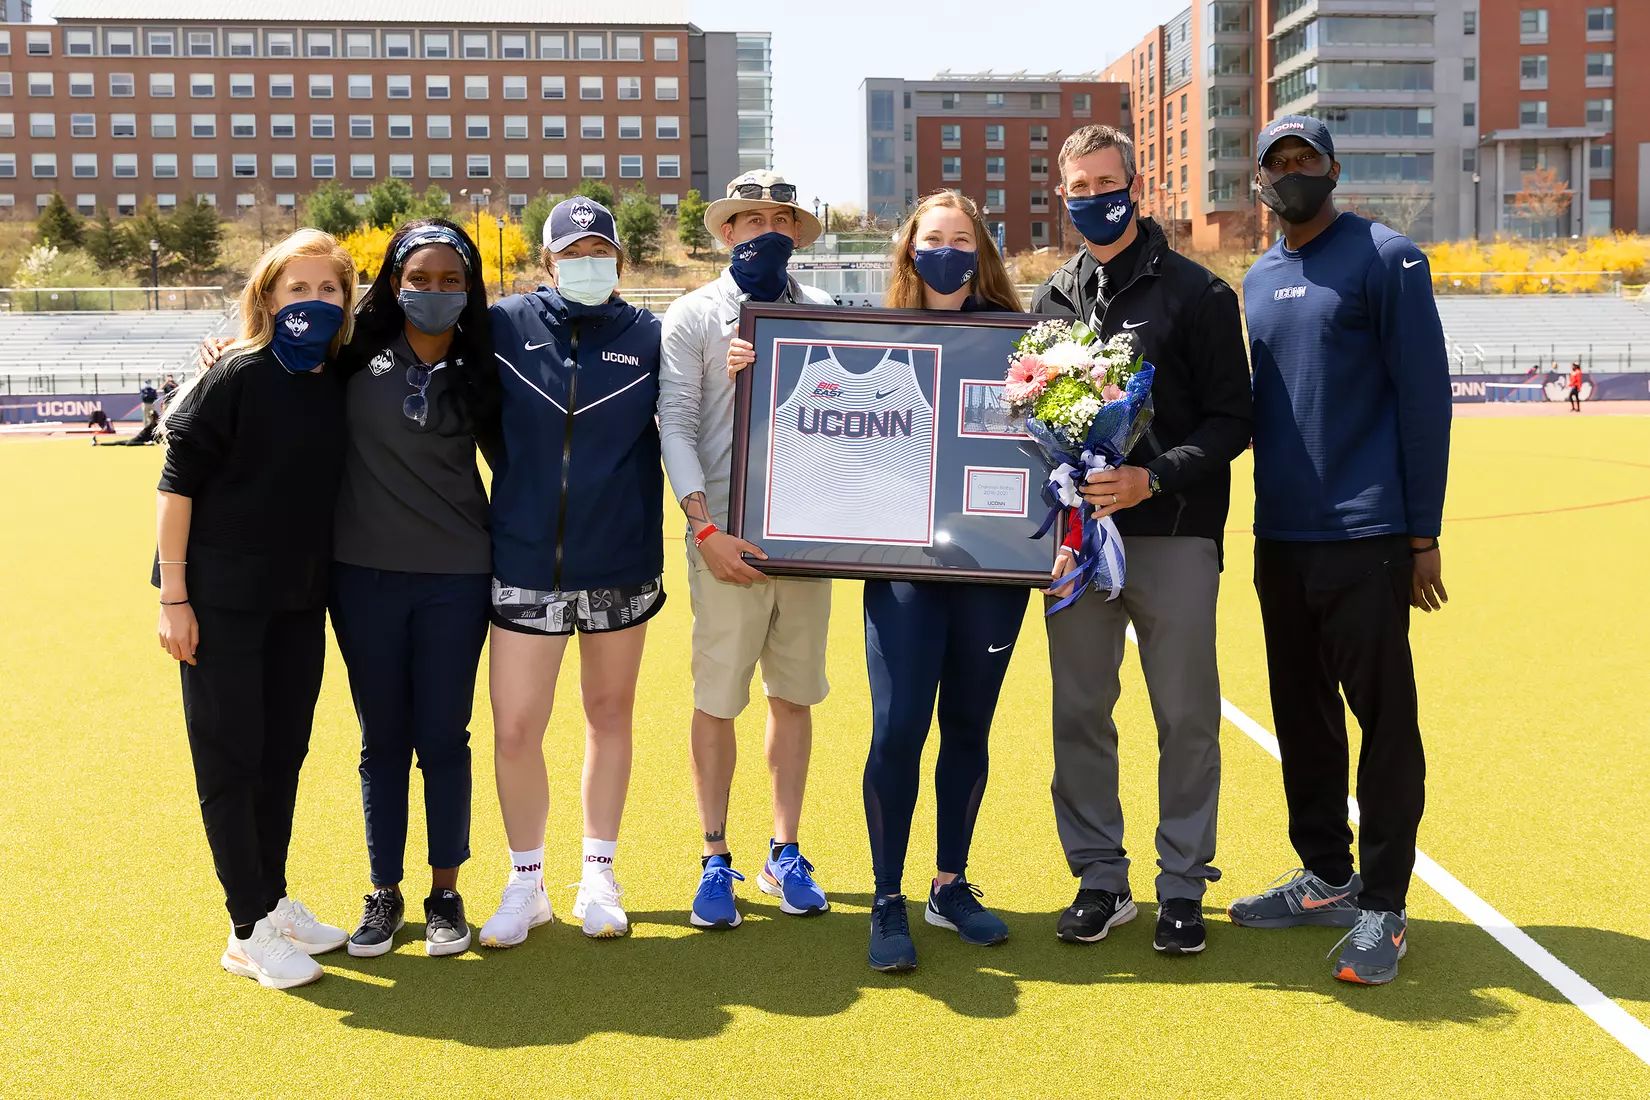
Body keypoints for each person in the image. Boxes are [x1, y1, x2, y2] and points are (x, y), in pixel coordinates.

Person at [197, 221, 502, 960]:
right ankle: (383, 893)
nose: (432, 293)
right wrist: (221, 354)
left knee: (444, 739)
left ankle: (444, 895)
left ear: (469, 288)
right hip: (357, 578)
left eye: (449, 280)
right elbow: (269, 372)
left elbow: (522, 466)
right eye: (416, 279)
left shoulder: (483, 368)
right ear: (392, 285)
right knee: (381, 742)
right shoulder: (349, 357)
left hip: (457, 578)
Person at [1233, 115, 1451, 986]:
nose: (1292, 175)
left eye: (1306, 161)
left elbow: (1425, 400)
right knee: (1302, 716)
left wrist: (1422, 532)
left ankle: (1386, 907)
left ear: (1333, 169)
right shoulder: (1254, 278)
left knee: (1383, 723)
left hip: (1366, 539)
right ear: (1260, 180)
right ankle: (1327, 874)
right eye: (1277, 164)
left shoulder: (1387, 258)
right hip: (1279, 536)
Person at [1033, 125, 1253, 956]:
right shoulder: (1054, 298)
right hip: (1078, 546)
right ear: (1065, 194)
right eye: (1078, 185)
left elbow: (1236, 420)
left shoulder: (1198, 294)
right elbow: (1036, 422)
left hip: (1175, 535)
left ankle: (1183, 886)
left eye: (1106, 181)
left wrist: (1150, 480)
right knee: (1080, 712)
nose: (1093, 196)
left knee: (1187, 715)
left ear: (1137, 183)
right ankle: (1099, 878)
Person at [154, 229, 356, 990]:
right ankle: (244, 929)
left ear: (346, 301)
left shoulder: (336, 377)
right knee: (231, 761)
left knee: (282, 757)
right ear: (268, 297)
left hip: (299, 601)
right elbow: (175, 490)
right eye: (296, 290)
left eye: (327, 291)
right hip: (218, 601)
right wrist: (175, 599)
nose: (312, 303)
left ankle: (270, 902)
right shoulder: (235, 373)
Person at [477, 197, 665, 946]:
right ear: (546, 262)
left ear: (619, 260)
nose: (588, 263)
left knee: (608, 715)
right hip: (523, 558)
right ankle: (526, 885)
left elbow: (700, 414)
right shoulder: (501, 325)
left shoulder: (651, 334)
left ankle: (599, 873)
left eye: (601, 251)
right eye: (572, 251)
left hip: (620, 559)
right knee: (517, 727)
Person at [658, 171, 835, 929]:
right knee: (717, 698)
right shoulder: (694, 314)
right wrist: (703, 530)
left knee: (792, 695)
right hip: (725, 531)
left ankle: (784, 850)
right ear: (726, 231)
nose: (766, 230)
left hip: (807, 534)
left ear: (796, 233)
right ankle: (714, 856)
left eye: (781, 219)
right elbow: (674, 422)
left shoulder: (826, 312)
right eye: (750, 218)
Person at [857, 191, 1028, 971]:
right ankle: (887, 897)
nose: (948, 251)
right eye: (934, 238)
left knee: (968, 727)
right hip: (902, 569)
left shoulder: (1026, 347)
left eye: (963, 239)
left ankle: (949, 884)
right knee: (898, 730)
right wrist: (755, 364)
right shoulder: (862, 337)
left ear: (981, 251)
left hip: (994, 568)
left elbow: (1055, 454)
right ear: (909, 250)